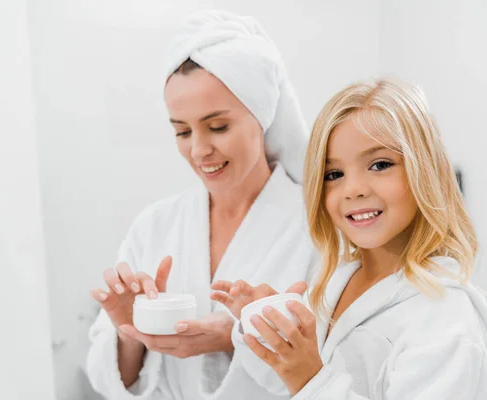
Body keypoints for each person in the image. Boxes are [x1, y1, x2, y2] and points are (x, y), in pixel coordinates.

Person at [214, 79, 487, 399]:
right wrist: (268, 329)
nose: (354, 189)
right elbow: (289, 387)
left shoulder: (445, 316)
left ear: (425, 170)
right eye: (334, 174)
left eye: (380, 165)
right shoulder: (335, 281)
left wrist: (311, 379)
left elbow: (310, 383)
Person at [86, 10, 317, 400]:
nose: (198, 150)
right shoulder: (156, 224)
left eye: (218, 127)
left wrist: (234, 337)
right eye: (181, 130)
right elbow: (111, 378)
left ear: (262, 116)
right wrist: (131, 333)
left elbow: (339, 367)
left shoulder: (316, 227)